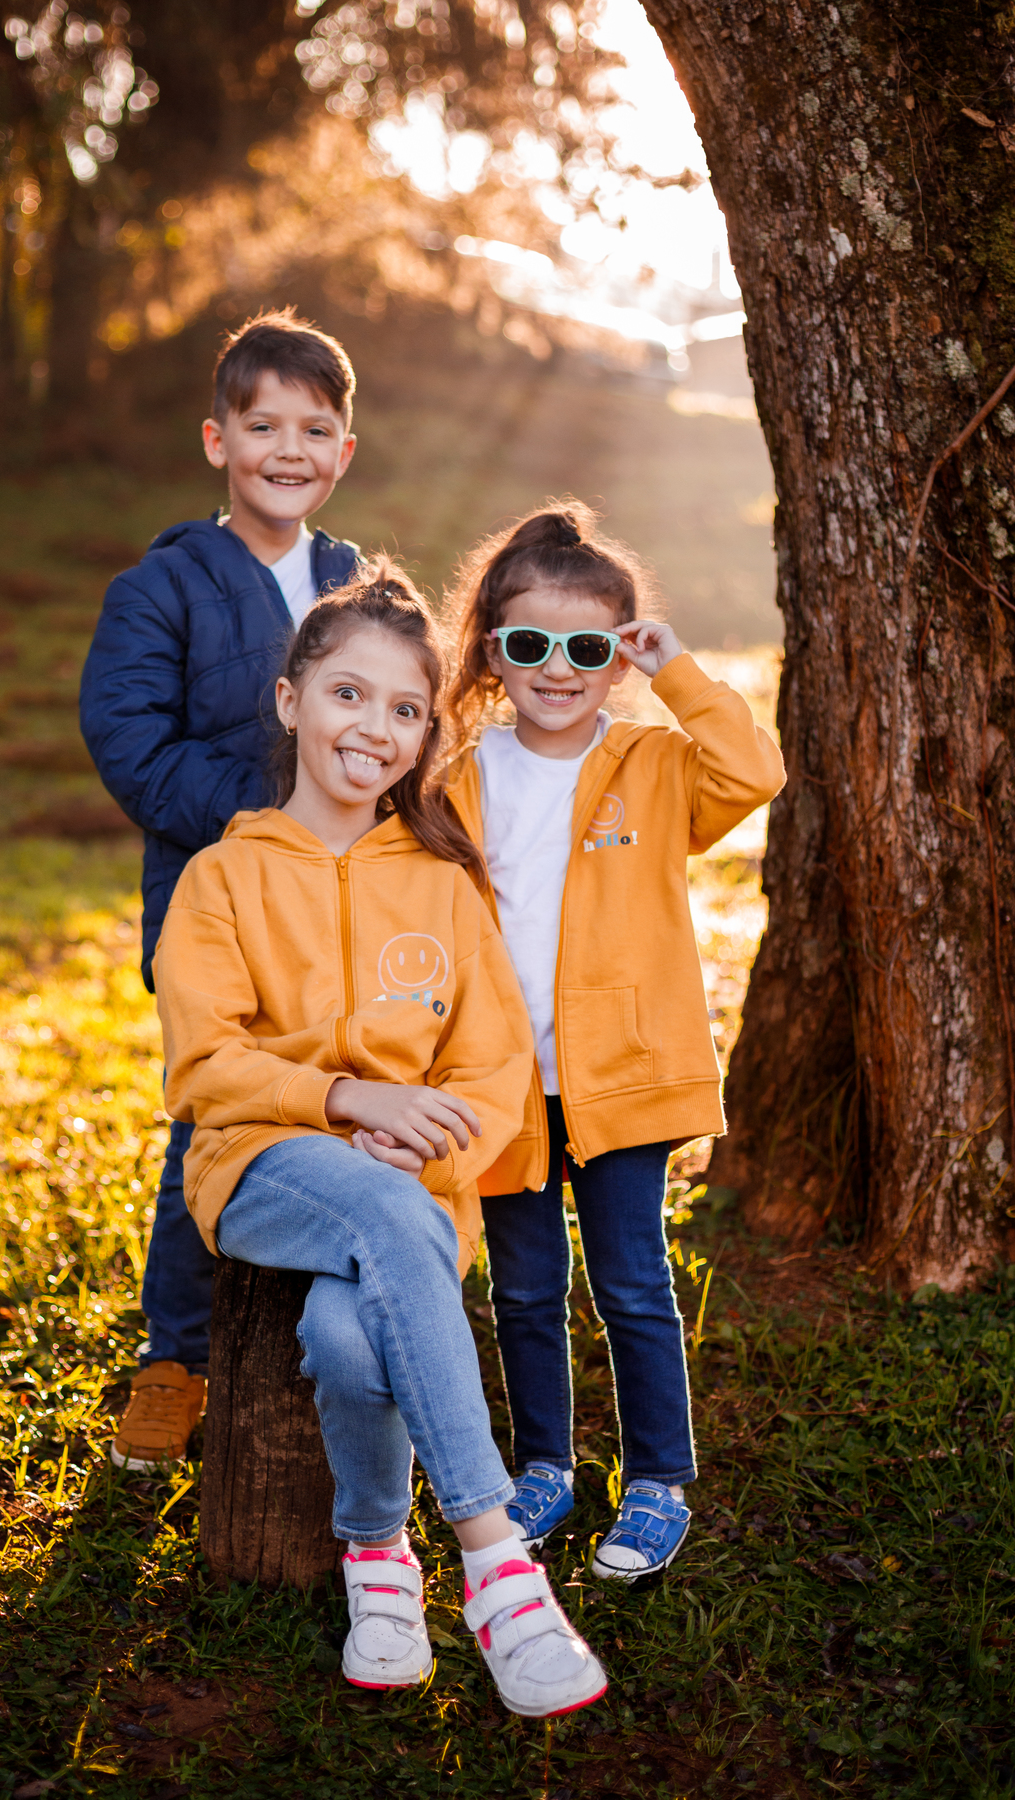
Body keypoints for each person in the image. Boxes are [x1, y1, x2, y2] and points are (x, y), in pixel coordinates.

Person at [153, 566, 608, 1716]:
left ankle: (378, 1562)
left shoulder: (446, 886)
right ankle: (500, 1568)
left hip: (417, 1181)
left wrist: (426, 1145)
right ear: (291, 699)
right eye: (350, 695)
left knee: (354, 1344)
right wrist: (350, 1102)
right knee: (381, 1224)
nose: (377, 728)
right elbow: (205, 1067)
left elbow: (497, 1065)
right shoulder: (223, 878)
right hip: (264, 1166)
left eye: (407, 711)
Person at [442, 504, 786, 1581]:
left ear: (618, 655)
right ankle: (544, 1465)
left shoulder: (654, 761)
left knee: (633, 1282)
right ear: (493, 651)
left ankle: (656, 1479)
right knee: (523, 1285)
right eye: (531, 644)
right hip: (501, 1085)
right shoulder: (453, 775)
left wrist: (676, 668)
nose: (558, 668)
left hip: (624, 1079)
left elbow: (756, 770)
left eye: (588, 648)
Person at [80, 309, 362, 1471]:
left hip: (341, 911)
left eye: (313, 428)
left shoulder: (355, 585)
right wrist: (267, 816)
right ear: (217, 440)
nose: (286, 450)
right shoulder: (167, 586)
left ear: (343, 452)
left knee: (337, 1092)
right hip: (215, 906)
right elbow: (130, 742)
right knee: (215, 1111)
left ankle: (324, 1316)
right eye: (262, 426)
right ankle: (176, 1357)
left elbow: (395, 715)